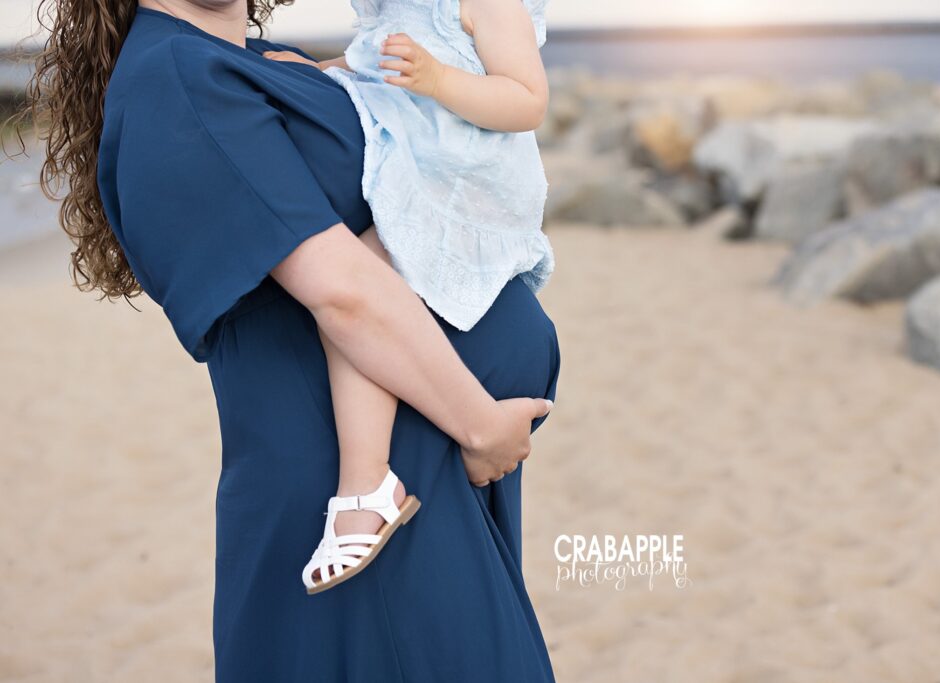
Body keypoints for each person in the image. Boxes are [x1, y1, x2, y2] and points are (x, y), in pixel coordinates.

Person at [17, 0, 560, 679]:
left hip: (430, 474)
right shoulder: (176, 77)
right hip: (360, 502)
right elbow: (342, 290)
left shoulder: (252, 60)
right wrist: (481, 424)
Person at [261, 0, 554, 593]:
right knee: (358, 281)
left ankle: (367, 482)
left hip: (470, 183)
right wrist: (312, 73)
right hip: (421, 165)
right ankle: (404, 464)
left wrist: (440, 79)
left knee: (361, 280)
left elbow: (528, 101)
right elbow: (377, 62)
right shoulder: (395, 11)